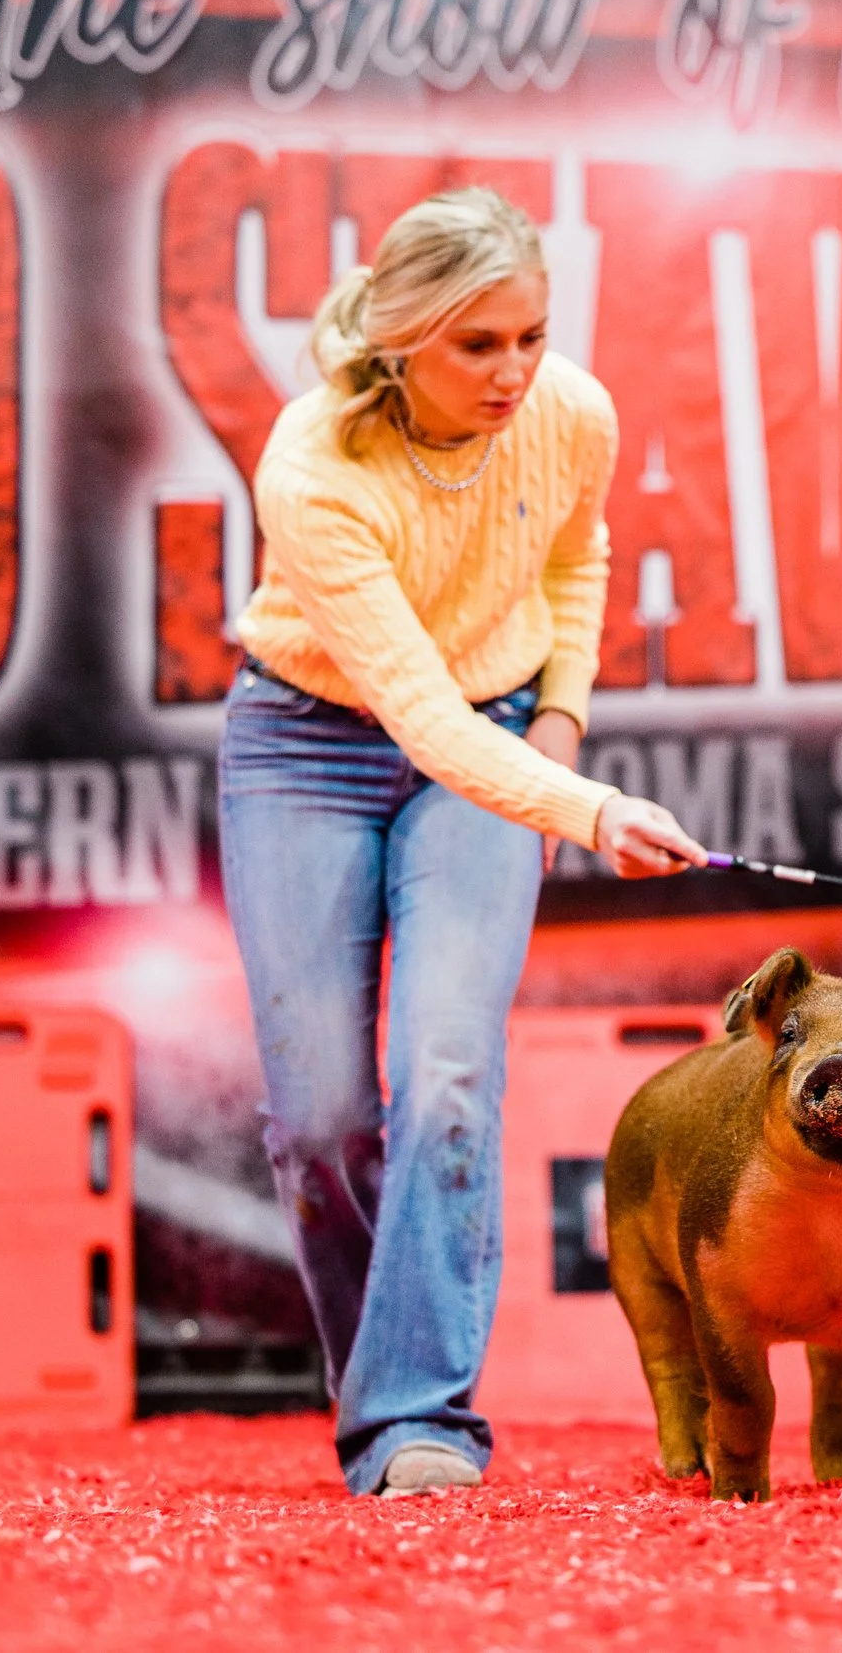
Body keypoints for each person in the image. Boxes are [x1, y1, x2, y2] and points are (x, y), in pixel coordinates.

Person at [218, 188, 707, 1497]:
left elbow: (574, 559)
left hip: (493, 736)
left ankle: (413, 1414)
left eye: (531, 335)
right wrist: (589, 808)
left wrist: (560, 722)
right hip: (306, 746)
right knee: (317, 1115)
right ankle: (386, 1362)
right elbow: (418, 713)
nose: (514, 372)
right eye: (476, 344)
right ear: (401, 339)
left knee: (445, 1071)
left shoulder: (572, 412)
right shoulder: (313, 464)